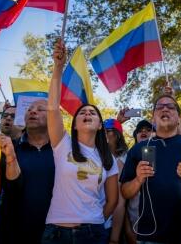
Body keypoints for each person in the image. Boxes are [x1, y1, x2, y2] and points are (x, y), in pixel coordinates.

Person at [43, 40, 118, 244]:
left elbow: (113, 201)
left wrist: (93, 220)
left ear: (100, 125)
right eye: (82, 112)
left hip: (93, 233)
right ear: (74, 124)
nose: (87, 113)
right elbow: (51, 108)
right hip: (56, 232)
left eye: (92, 113)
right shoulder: (62, 144)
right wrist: (58, 68)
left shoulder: (107, 158)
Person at [120, 94, 181, 244]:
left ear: (179, 117)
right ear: (153, 117)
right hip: (150, 235)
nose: (165, 109)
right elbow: (125, 192)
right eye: (159, 107)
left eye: (170, 107)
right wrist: (138, 179)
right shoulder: (139, 149)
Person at [0, 99, 55, 244]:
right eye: (29, 109)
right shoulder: (7, 150)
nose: (32, 111)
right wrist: (11, 157)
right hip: (13, 233)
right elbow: (9, 189)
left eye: (40, 109)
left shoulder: (64, 151)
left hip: (55, 233)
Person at [104, 118, 129, 244]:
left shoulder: (124, 158)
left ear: (118, 134)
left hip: (109, 224)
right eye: (104, 131)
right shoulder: (94, 155)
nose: (107, 133)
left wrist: (114, 239)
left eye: (110, 131)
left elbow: (119, 202)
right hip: (88, 220)